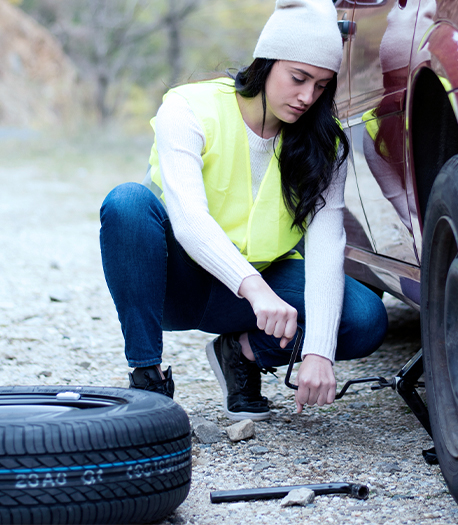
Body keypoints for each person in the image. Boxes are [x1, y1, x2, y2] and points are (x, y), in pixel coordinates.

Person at [99, 0, 388, 421]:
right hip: (179, 281)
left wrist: (319, 351)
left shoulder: (324, 144)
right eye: (298, 78)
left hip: (262, 287)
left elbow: (327, 245)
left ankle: (242, 354)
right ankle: (147, 378)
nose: (308, 97)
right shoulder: (188, 108)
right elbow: (189, 218)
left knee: (365, 318)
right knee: (126, 202)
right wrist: (254, 289)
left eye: (322, 85)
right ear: (266, 63)